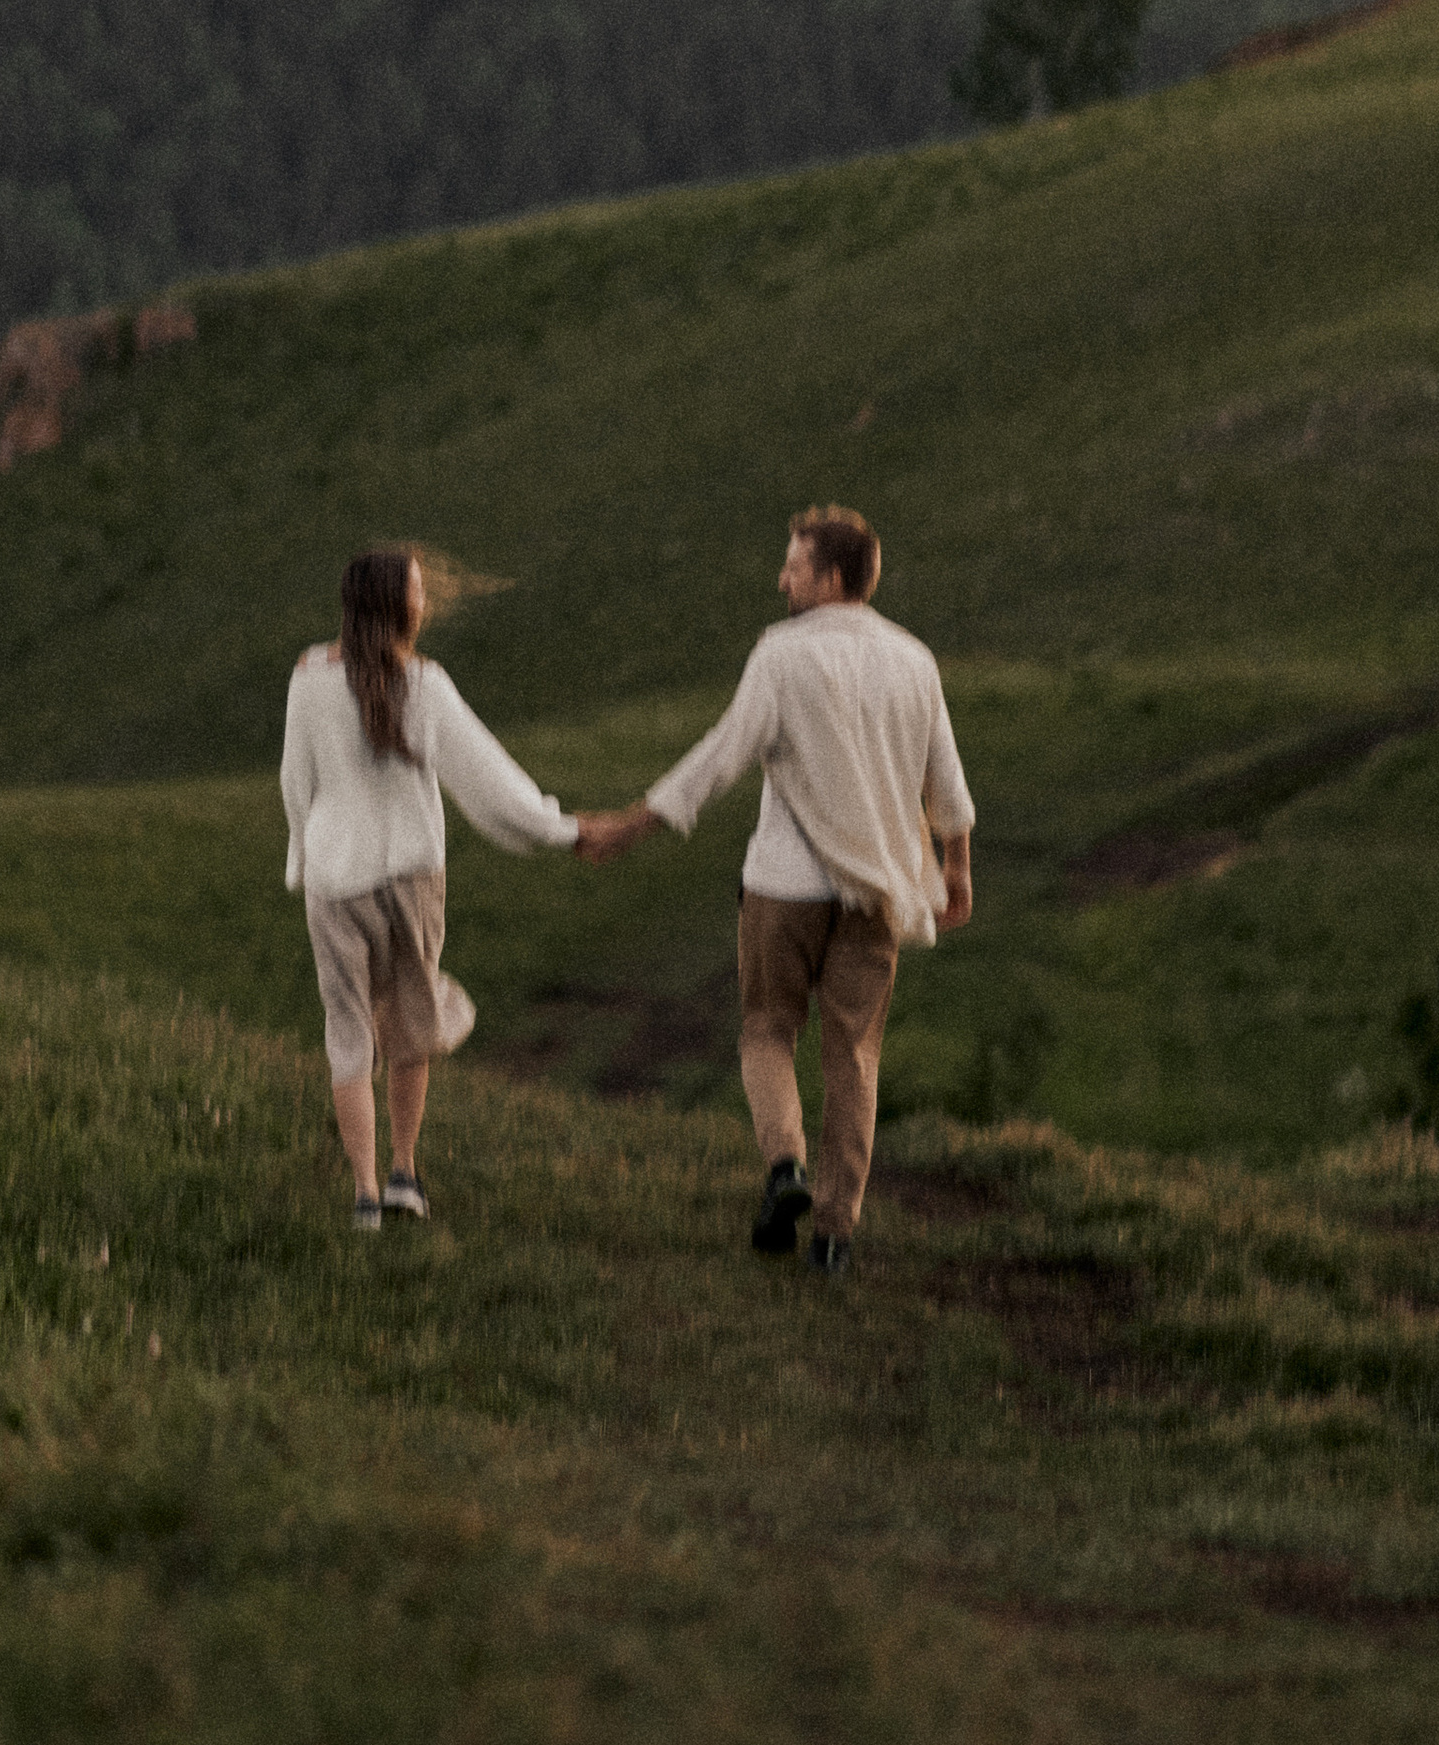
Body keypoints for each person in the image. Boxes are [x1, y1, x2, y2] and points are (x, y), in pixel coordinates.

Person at [578, 505, 973, 1278]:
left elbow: (721, 755)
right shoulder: (914, 659)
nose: (781, 580)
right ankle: (834, 1234)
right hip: (878, 895)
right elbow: (946, 782)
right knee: (853, 1055)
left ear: (831, 577)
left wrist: (632, 824)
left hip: (783, 884)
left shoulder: (782, 653)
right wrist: (955, 870)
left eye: (793, 567)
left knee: (766, 1030)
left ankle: (785, 1164)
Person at [281, 541, 580, 1232]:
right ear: (396, 605)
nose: (425, 599)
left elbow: (296, 784)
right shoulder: (425, 683)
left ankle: (363, 1196)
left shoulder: (308, 678)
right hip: (412, 877)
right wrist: (560, 829)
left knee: (349, 1030)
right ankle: (403, 1174)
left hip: (334, 880)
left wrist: (302, 856)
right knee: (412, 1023)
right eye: (417, 589)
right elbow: (490, 777)